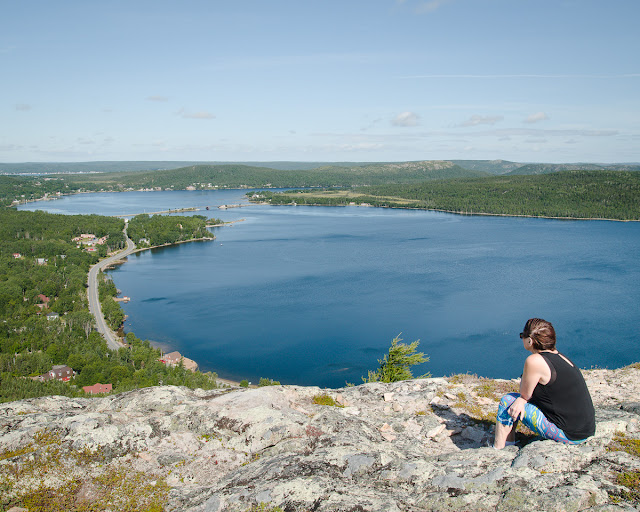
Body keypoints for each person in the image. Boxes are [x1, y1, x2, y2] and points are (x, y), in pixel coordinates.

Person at [494, 318, 595, 449]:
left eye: (522, 336)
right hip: (586, 430)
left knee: (508, 401)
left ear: (530, 340)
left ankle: (499, 450)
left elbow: (525, 395)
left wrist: (522, 399)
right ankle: (507, 445)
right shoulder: (561, 357)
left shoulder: (534, 361)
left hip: (569, 435)